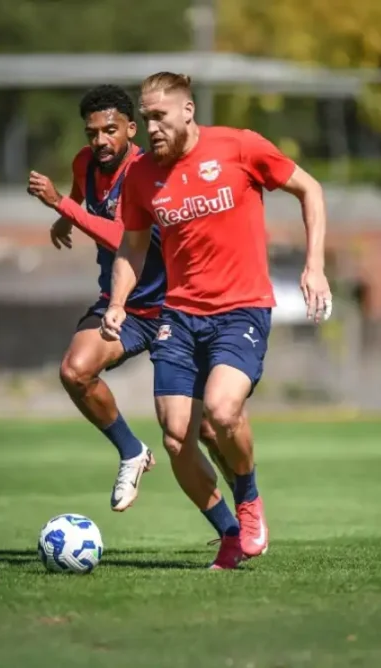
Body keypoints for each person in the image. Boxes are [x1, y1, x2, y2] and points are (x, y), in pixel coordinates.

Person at [101, 73, 332, 565]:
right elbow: (133, 245)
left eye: (159, 117)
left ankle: (248, 500)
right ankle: (229, 532)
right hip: (179, 316)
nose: (151, 128)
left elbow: (309, 189)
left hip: (240, 309)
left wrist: (315, 266)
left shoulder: (240, 147)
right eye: (145, 119)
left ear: (188, 111)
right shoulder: (142, 176)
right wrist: (118, 302)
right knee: (176, 435)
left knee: (223, 411)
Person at [27, 85, 243, 568]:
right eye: (93, 132)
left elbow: (124, 236)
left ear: (130, 129)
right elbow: (87, 199)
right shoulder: (85, 164)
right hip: (122, 307)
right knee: (75, 371)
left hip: (175, 310)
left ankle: (239, 521)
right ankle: (131, 451)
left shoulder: (147, 174)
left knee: (204, 430)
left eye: (110, 130)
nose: (101, 140)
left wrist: (63, 208)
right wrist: (70, 215)